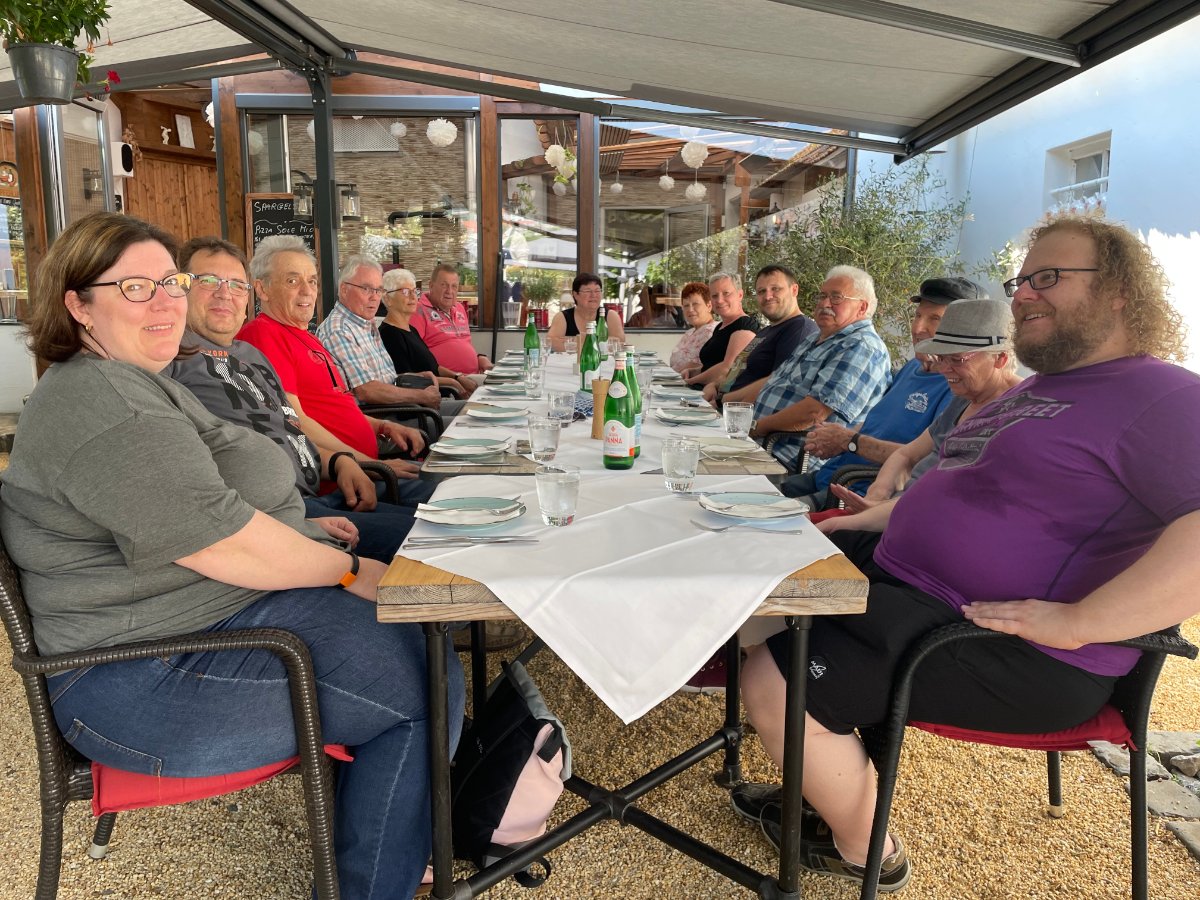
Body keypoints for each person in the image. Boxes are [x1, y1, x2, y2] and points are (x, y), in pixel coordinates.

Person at [0, 212, 464, 900]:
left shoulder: (138, 379)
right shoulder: (103, 402)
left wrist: (312, 535)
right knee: (422, 683)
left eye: (170, 282)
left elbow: (219, 503)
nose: (165, 302)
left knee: (419, 648)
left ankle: (396, 830)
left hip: (208, 624)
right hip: (140, 678)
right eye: (135, 288)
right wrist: (348, 570)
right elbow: (222, 538)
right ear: (78, 305)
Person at [734, 216, 1200, 893]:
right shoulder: (1037, 391)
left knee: (776, 680)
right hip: (909, 586)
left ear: (1121, 291)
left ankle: (867, 851)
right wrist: (862, 522)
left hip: (1006, 644)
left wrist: (1080, 623)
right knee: (751, 593)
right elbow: (952, 485)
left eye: (1048, 277)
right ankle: (825, 780)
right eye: (1021, 281)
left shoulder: (1163, 396)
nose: (1024, 295)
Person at [168, 236, 427, 562]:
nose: (224, 293)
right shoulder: (173, 358)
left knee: (441, 522)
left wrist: (340, 461)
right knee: (430, 537)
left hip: (328, 484)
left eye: (235, 284)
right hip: (279, 517)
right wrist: (367, 463)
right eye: (208, 281)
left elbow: (289, 426)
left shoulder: (250, 354)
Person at [815, 298, 1023, 532]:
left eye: (957, 359)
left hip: (923, 529)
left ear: (1000, 358)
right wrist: (877, 496)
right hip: (893, 517)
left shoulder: (1017, 415)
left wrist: (859, 519)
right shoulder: (966, 397)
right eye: (941, 357)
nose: (944, 369)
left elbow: (948, 500)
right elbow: (906, 454)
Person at [236, 236, 429, 486]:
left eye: (312, 281)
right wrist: (372, 465)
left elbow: (335, 405)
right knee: (444, 484)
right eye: (292, 281)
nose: (307, 291)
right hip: (346, 483)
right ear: (262, 289)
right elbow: (294, 421)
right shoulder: (263, 335)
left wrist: (382, 426)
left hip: (368, 467)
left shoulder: (306, 336)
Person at [777, 277, 982, 506]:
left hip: (856, 492)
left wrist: (850, 441)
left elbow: (926, 460)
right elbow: (877, 422)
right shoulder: (911, 367)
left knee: (762, 516)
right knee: (755, 491)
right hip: (829, 475)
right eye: (917, 316)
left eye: (935, 319)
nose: (917, 329)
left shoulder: (958, 389)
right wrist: (833, 438)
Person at [747, 265, 891, 471]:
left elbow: (813, 413)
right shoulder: (816, 339)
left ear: (862, 307)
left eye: (836, 297)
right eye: (822, 296)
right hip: (760, 443)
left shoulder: (861, 346)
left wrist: (755, 427)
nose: (824, 303)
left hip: (788, 458)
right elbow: (774, 382)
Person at [315, 254, 445, 410]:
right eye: (366, 289)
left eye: (378, 290)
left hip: (401, 408)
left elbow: (385, 379)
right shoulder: (339, 330)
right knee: (462, 416)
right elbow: (366, 391)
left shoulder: (366, 324)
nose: (375, 297)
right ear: (344, 290)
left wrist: (417, 377)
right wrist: (421, 396)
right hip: (383, 417)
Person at [704, 264, 818, 405]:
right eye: (761, 291)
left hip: (740, 411)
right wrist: (714, 385)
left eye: (775, 289)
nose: (768, 296)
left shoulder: (799, 329)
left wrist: (722, 401)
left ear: (794, 290)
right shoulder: (766, 331)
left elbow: (776, 383)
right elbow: (738, 369)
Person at [379, 267, 478, 402]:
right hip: (425, 405)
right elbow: (407, 380)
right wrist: (452, 382)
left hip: (444, 394)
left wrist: (457, 377)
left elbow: (434, 367)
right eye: (405, 292)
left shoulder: (410, 330)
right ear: (387, 298)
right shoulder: (389, 335)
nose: (413, 297)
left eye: (415, 291)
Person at [411, 263, 494, 376]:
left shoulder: (459, 308)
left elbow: (463, 344)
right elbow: (415, 356)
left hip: (473, 376)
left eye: (454, 286)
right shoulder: (418, 311)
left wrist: (480, 358)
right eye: (444, 285)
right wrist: (455, 378)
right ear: (431, 286)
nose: (449, 291)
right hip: (447, 381)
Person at [682, 272, 757, 387]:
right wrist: (692, 372)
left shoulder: (744, 326)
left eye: (726, 293)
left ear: (740, 295)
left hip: (719, 395)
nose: (720, 300)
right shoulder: (720, 326)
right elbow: (711, 365)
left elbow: (727, 368)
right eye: (714, 296)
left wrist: (690, 381)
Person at [546, 273, 625, 351]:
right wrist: (599, 342)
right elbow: (552, 342)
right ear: (575, 294)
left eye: (597, 291)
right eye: (588, 291)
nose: (593, 295)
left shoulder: (611, 315)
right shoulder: (562, 317)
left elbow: (619, 343)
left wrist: (574, 341)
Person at [667, 281, 717, 373]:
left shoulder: (713, 332)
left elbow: (707, 367)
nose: (690, 309)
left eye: (695, 304)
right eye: (686, 305)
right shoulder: (689, 333)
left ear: (709, 306)